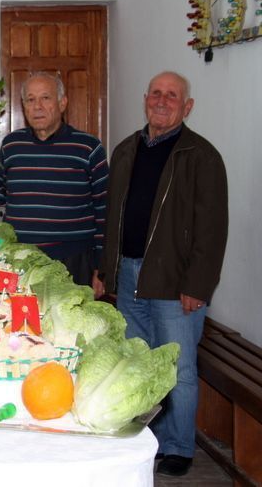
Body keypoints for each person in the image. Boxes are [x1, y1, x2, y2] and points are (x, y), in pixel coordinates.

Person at [100, 71, 228, 477]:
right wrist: (107, 271)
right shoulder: (125, 150)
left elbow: (212, 229)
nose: (162, 100)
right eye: (155, 93)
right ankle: (147, 441)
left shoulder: (202, 156)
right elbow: (112, 220)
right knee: (139, 364)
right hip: (129, 277)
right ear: (145, 100)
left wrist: (198, 285)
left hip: (176, 283)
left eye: (171, 95)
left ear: (186, 107)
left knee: (179, 369)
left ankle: (177, 447)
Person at [0, 73, 108, 292]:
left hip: (73, 261)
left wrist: (102, 267)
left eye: (45, 98)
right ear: (23, 106)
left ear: (62, 103)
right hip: (20, 259)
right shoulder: (11, 146)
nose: (37, 106)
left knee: (71, 325)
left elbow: (104, 210)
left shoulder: (88, 147)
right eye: (30, 100)